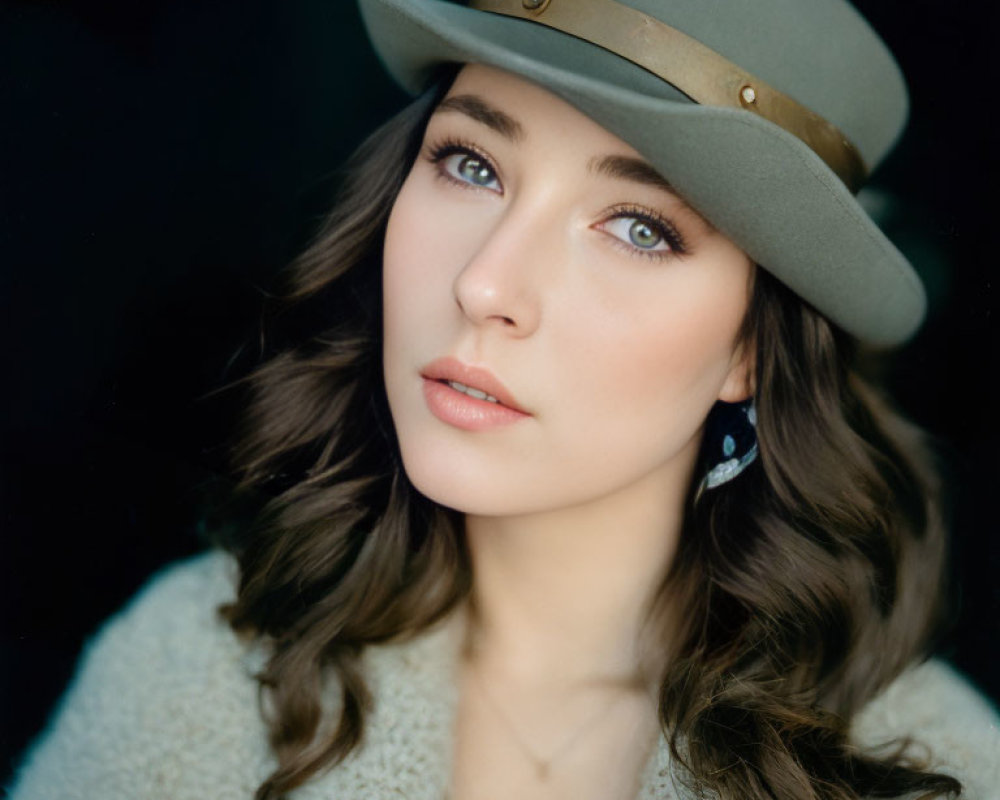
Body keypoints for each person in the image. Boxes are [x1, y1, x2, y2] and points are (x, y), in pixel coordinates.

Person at [8, 0, 999, 799]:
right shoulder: (190, 675)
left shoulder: (934, 766)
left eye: (639, 227)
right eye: (471, 163)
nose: (485, 284)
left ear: (751, 348)